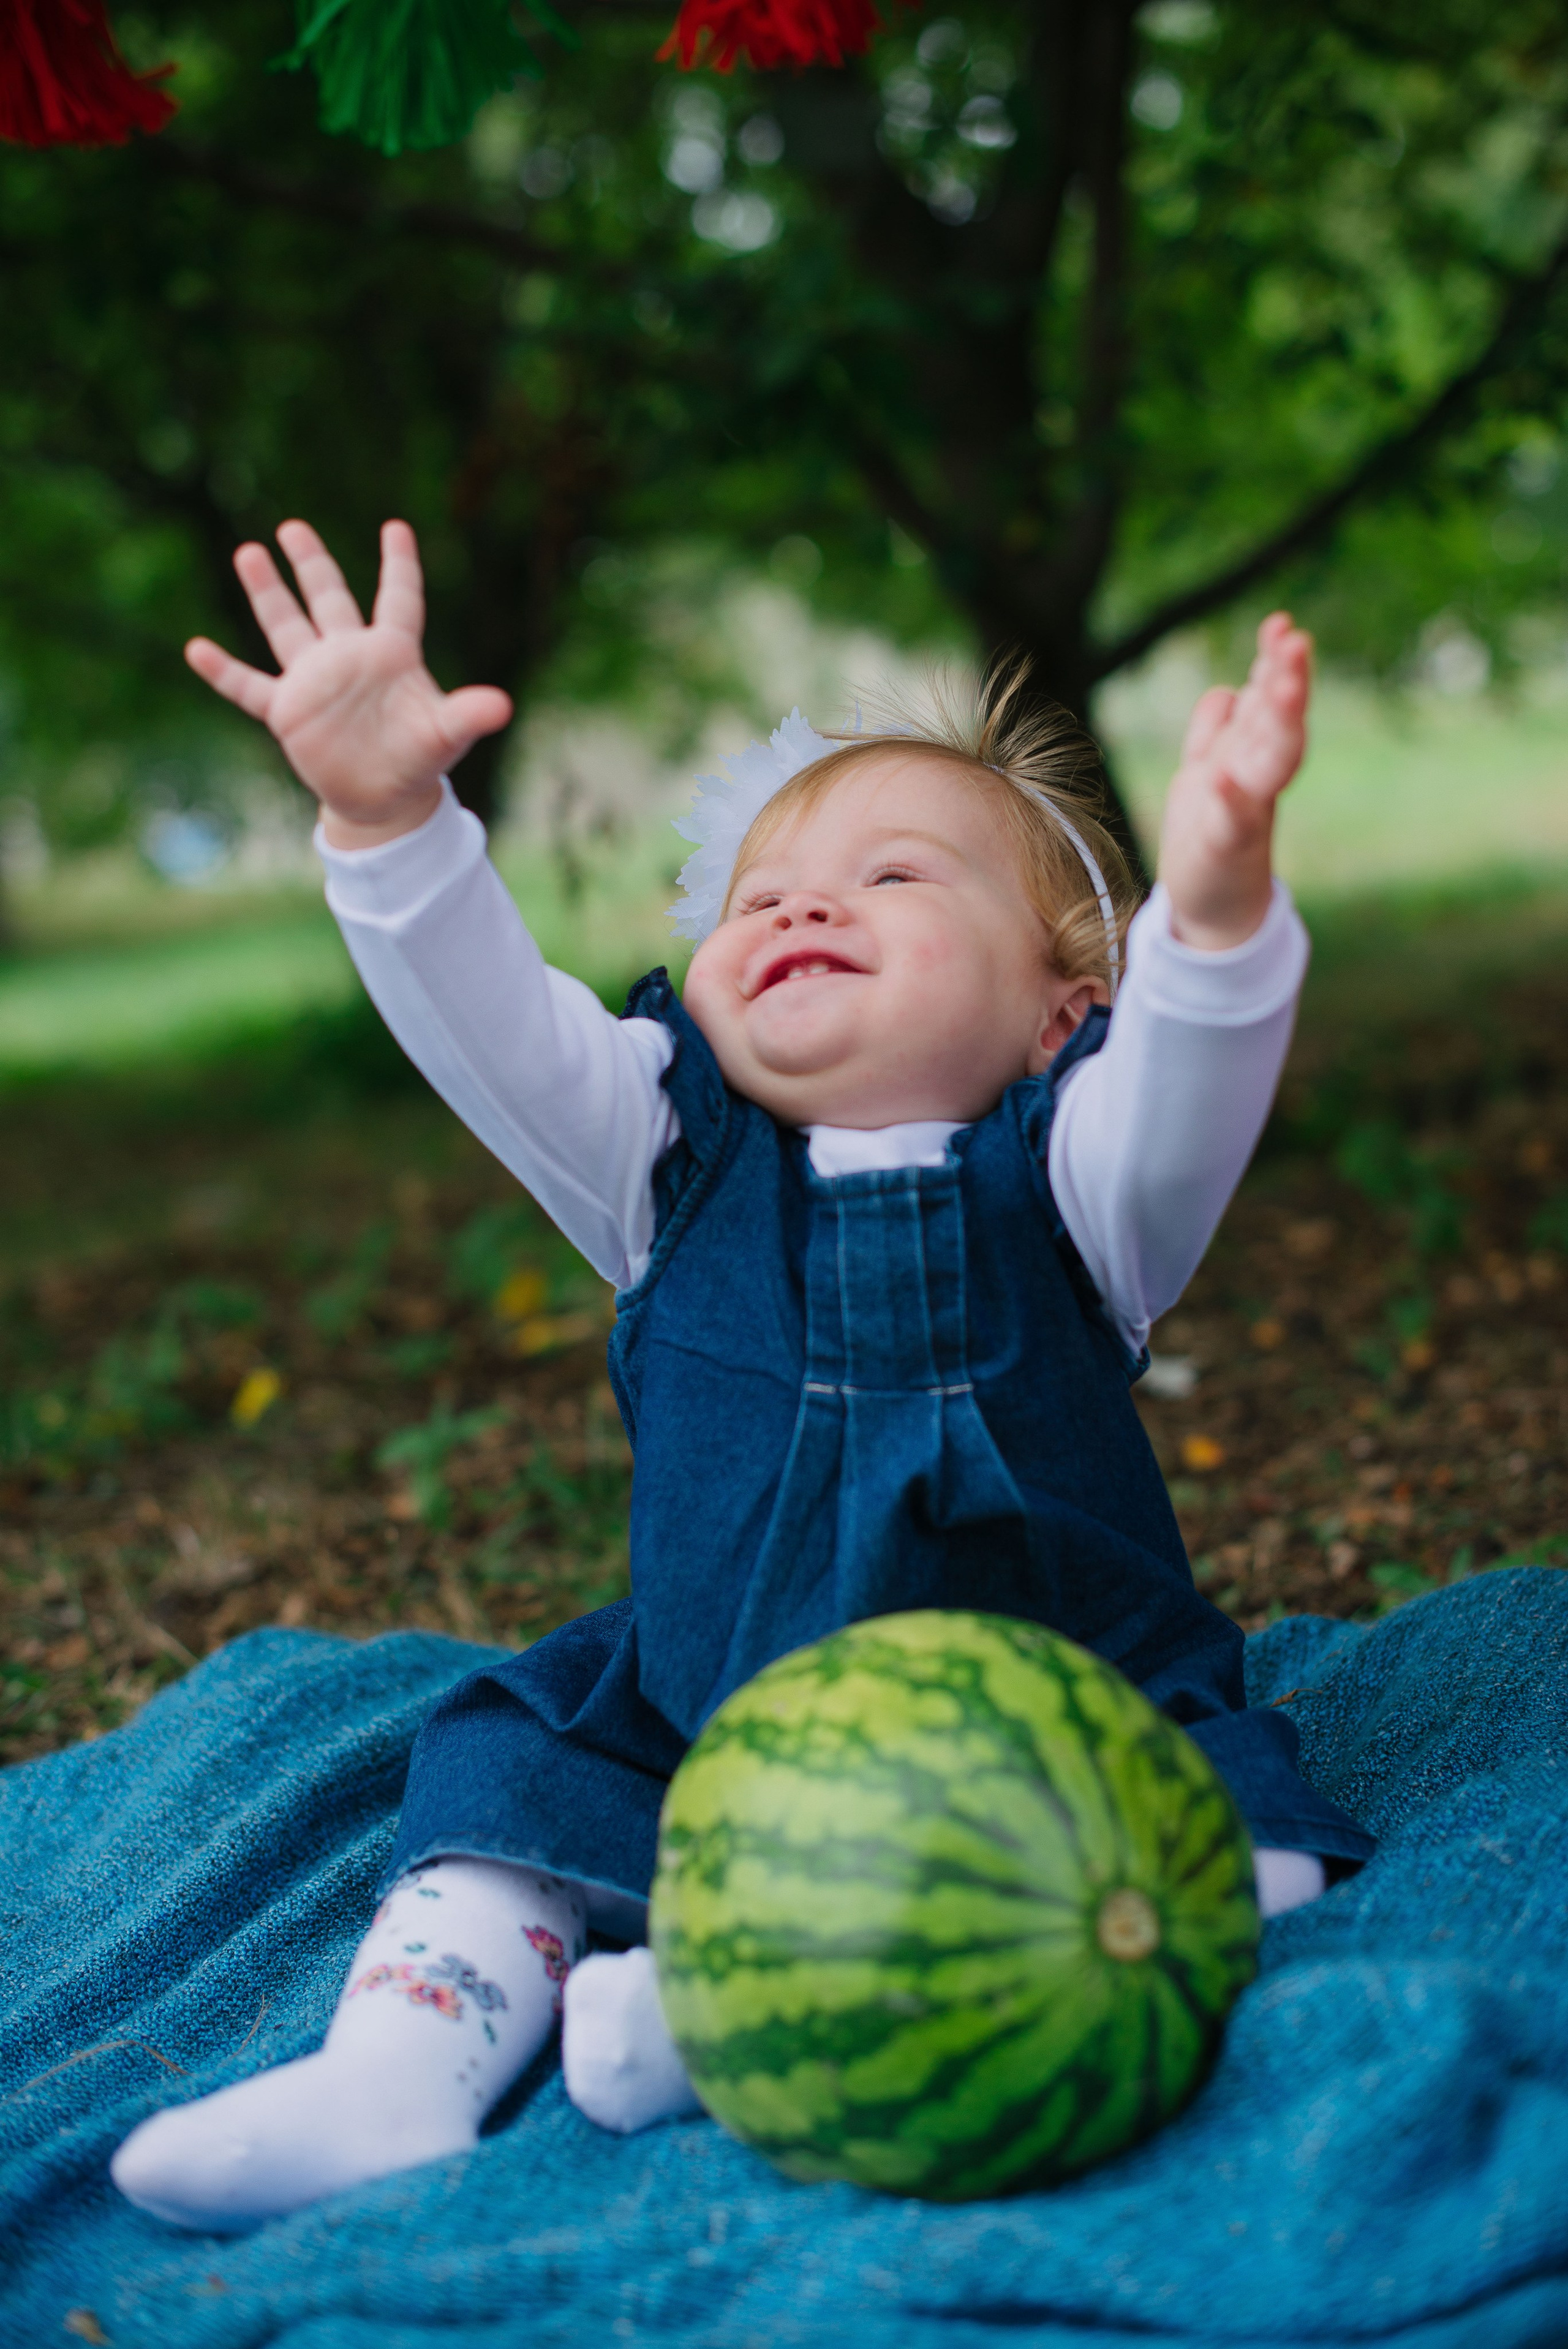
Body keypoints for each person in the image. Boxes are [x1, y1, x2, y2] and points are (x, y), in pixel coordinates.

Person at [113, 519, 1371, 2233]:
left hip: (1075, 1722)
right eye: (761, 893)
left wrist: (1216, 907)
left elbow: (1192, 1079)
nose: (796, 904)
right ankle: (393, 2077)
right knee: (505, 1791)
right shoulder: (657, 1152)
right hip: (707, 1712)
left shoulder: (1081, 1181)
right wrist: (389, 821)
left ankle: (717, 2021)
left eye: (895, 878)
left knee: (1256, 1863)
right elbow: (493, 1026)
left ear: (1065, 1010)